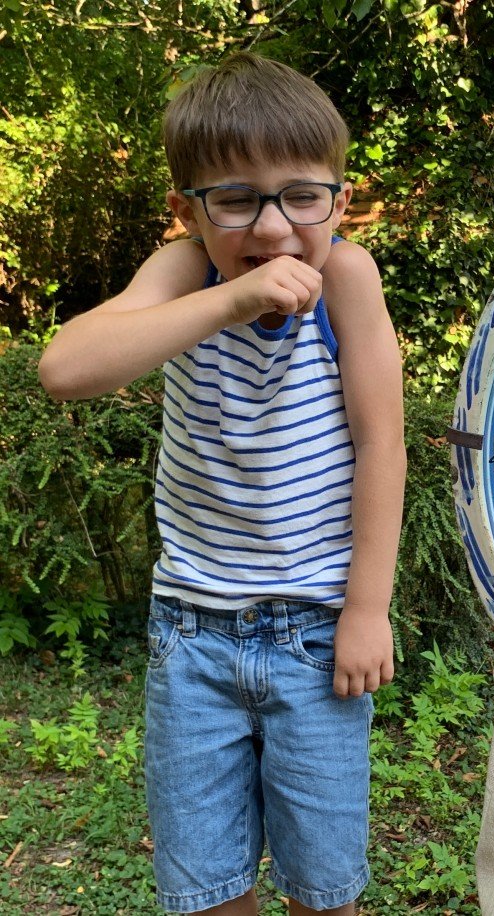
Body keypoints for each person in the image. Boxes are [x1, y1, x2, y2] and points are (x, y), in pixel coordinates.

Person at [38, 51, 406, 915]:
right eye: (236, 200)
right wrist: (228, 299)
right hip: (190, 637)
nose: (274, 228)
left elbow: (381, 444)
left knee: (324, 887)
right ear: (188, 211)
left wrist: (367, 608)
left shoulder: (349, 278)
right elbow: (64, 369)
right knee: (205, 886)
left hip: (318, 636)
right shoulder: (183, 276)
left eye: (301, 196)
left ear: (339, 201)